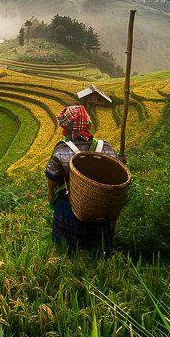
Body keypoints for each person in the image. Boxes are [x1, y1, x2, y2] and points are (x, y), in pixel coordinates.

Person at [45, 104, 120, 255]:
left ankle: (66, 251)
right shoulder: (105, 147)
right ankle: (100, 252)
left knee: (62, 201)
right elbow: (116, 169)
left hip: (71, 202)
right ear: (87, 125)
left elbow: (52, 176)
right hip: (100, 203)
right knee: (99, 250)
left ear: (67, 128)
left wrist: (51, 194)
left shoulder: (62, 150)